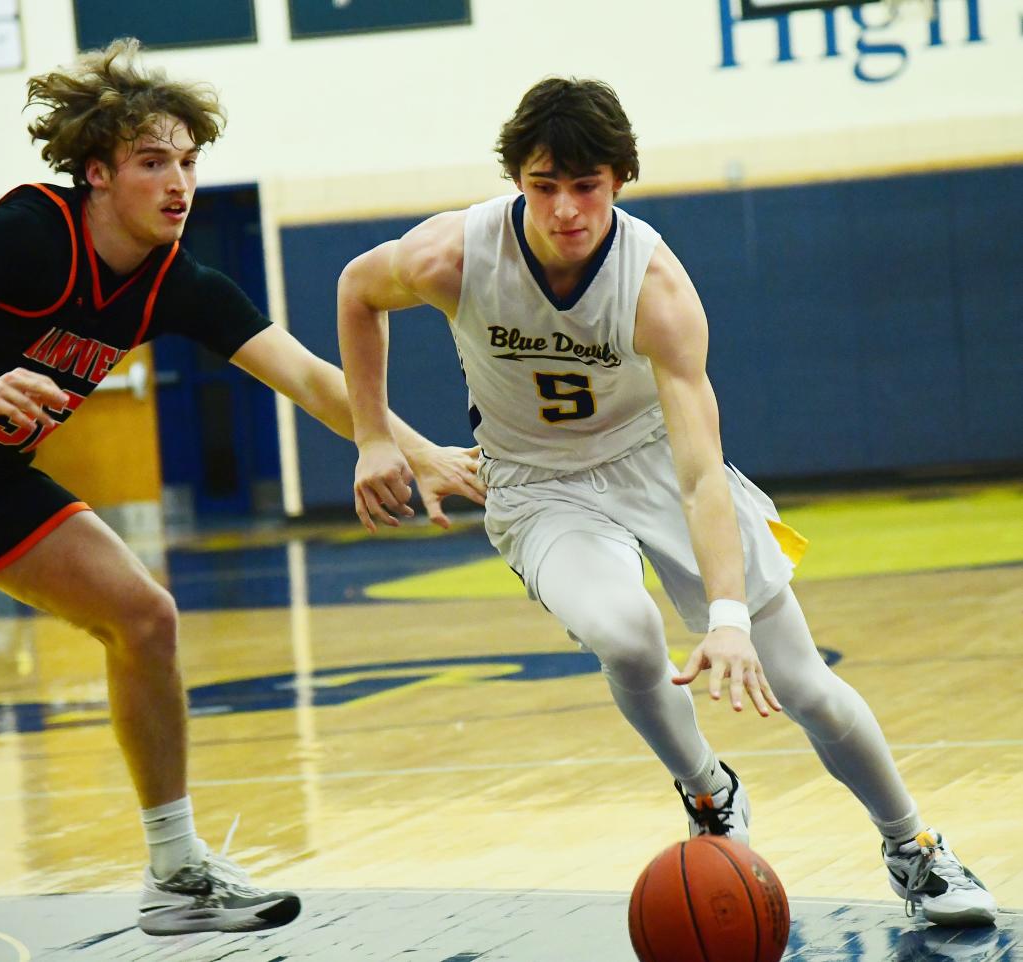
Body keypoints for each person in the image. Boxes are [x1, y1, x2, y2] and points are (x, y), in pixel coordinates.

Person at [0, 38, 484, 962]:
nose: (179, 182)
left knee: (144, 618)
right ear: (98, 173)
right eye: (154, 162)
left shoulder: (175, 282)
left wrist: (408, 447)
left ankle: (175, 873)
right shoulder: (30, 232)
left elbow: (309, 374)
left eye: (190, 163)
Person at [336, 77, 997, 927]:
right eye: (544, 186)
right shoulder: (453, 257)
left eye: (587, 186)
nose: (565, 209)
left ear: (619, 179)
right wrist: (374, 437)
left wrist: (726, 616)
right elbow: (357, 288)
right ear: (517, 181)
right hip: (538, 485)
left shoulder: (656, 289)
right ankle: (709, 789)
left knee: (806, 686)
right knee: (623, 633)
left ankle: (914, 848)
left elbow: (699, 474)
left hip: (652, 465)